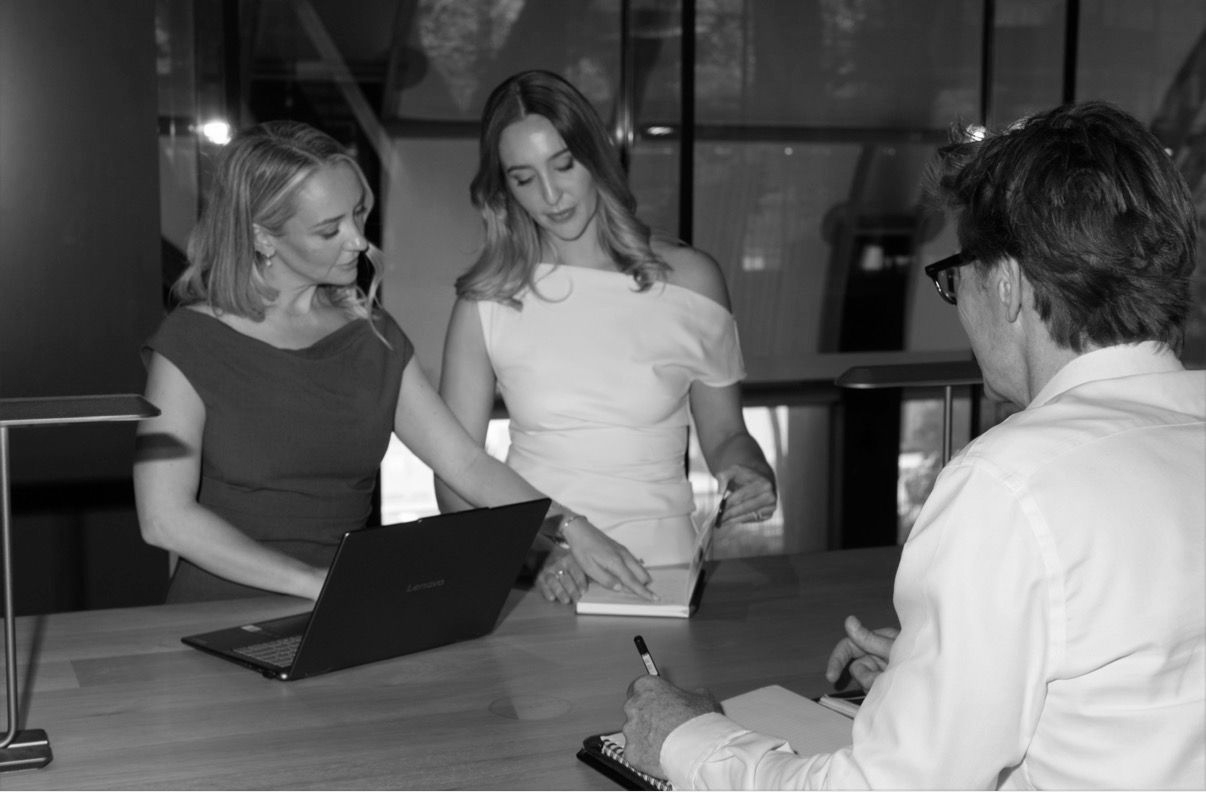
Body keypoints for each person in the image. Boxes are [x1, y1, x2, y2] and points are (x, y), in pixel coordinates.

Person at [620, 101, 1206, 788]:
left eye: (957, 277)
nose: (960, 306)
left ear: (1009, 283)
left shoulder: (1010, 485)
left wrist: (686, 738)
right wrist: (954, 670)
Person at [133, 120, 585, 603]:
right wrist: (317, 584)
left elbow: (467, 464)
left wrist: (570, 527)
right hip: (219, 611)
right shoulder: (193, 340)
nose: (357, 241)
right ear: (263, 237)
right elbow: (164, 518)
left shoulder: (372, 332)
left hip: (346, 604)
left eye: (357, 214)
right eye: (329, 229)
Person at [434, 70, 778, 606]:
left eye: (564, 164)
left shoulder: (694, 280)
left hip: (662, 565)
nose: (550, 195)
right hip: (541, 573)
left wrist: (751, 472)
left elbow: (726, 433)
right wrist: (538, 554)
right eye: (524, 178)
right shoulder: (487, 300)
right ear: (504, 188)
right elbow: (455, 478)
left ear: (596, 155)